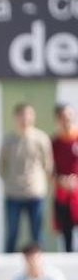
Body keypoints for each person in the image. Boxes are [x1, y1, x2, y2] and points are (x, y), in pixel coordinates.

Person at [0, 102, 53, 253]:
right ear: (16, 117)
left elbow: (48, 165)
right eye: (22, 115)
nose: (25, 119)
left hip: (35, 192)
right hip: (13, 192)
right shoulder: (8, 140)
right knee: (12, 233)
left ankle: (40, 264)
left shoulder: (41, 138)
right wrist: (10, 181)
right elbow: (1, 166)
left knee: (37, 233)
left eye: (29, 115)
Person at [51, 102, 78, 252]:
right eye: (62, 117)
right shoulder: (54, 143)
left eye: (69, 116)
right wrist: (60, 180)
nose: (66, 120)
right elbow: (49, 169)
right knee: (67, 236)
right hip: (63, 195)